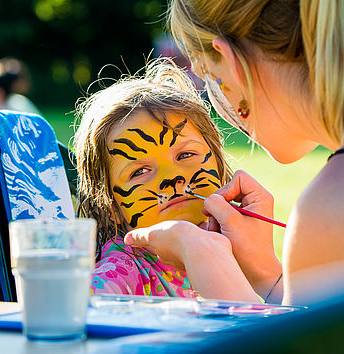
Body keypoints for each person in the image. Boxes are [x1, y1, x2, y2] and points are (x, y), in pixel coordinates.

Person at [124, 0, 344, 305]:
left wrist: (202, 256)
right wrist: (266, 274)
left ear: (228, 60)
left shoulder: (341, 206)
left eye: (206, 77)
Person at [72, 59, 233, 297]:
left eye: (185, 154)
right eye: (140, 171)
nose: (173, 179)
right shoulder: (124, 272)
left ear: (219, 166)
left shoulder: (235, 246)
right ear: (110, 206)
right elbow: (77, 306)